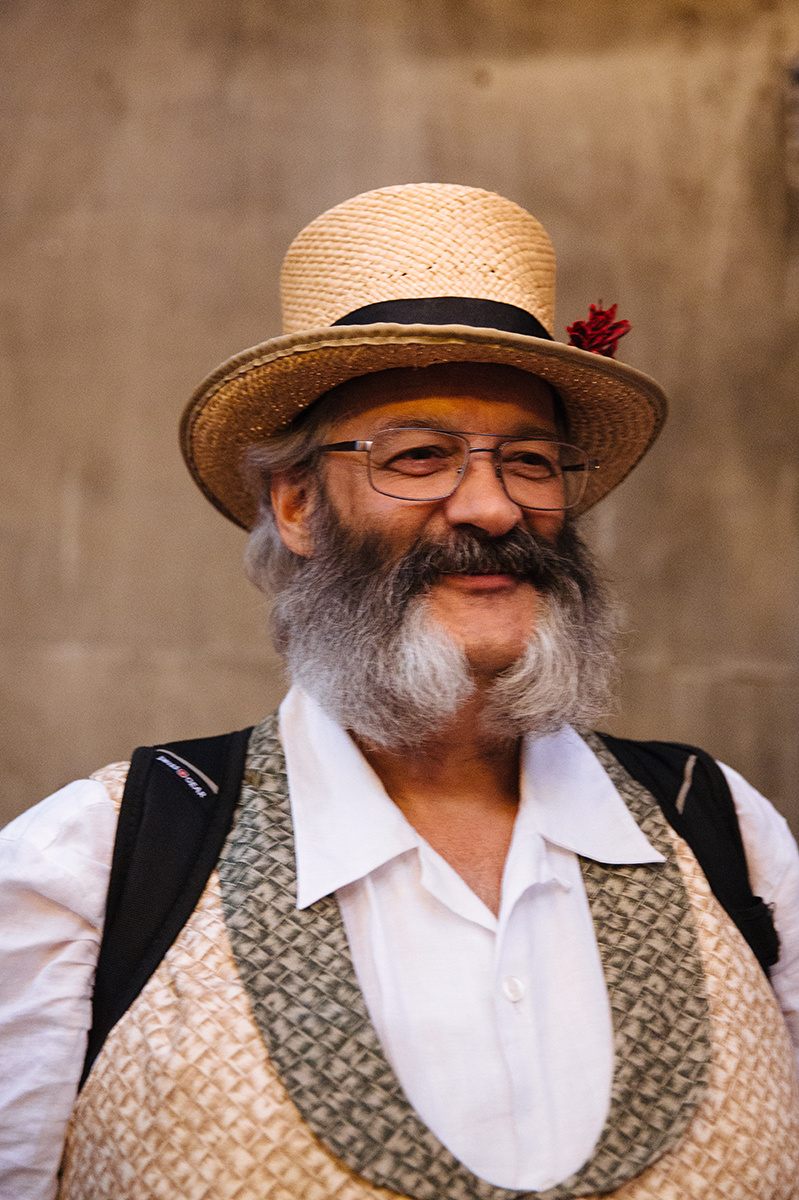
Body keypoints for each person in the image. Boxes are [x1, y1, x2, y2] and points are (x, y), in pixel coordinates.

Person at [2, 183, 798, 1200]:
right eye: (417, 457)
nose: (490, 505)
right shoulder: (93, 867)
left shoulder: (728, 837)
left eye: (529, 460)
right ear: (296, 503)